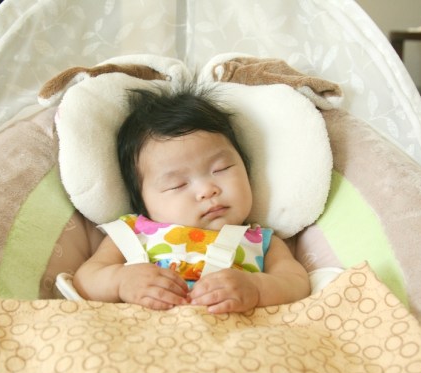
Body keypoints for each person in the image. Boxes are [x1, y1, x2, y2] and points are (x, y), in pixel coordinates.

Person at [73, 86, 311, 314]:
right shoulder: (133, 233)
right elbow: (85, 280)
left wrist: (257, 288)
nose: (207, 190)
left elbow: (296, 284)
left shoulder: (262, 241)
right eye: (177, 184)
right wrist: (121, 281)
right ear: (143, 202)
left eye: (221, 169)